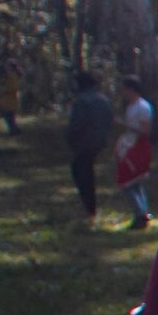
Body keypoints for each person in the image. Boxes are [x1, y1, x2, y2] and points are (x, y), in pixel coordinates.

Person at [65, 71, 113, 216]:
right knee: (86, 170)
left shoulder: (83, 100)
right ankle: (89, 205)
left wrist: (71, 139)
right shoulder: (103, 99)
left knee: (81, 172)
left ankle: (89, 206)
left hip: (84, 142)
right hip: (99, 141)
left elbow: (78, 124)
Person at [115, 77, 156, 229]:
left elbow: (146, 131)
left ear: (131, 89)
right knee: (135, 183)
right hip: (130, 144)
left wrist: (124, 125)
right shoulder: (131, 107)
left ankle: (140, 214)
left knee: (128, 182)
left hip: (139, 146)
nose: (123, 92)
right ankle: (142, 213)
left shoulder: (143, 107)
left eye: (124, 89)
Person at [0, 60, 22, 134]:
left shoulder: (13, 76)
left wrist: (5, 89)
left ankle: (13, 129)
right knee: (9, 115)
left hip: (10, 99)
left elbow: (14, 87)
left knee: (8, 115)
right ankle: (13, 128)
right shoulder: (9, 76)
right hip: (7, 99)